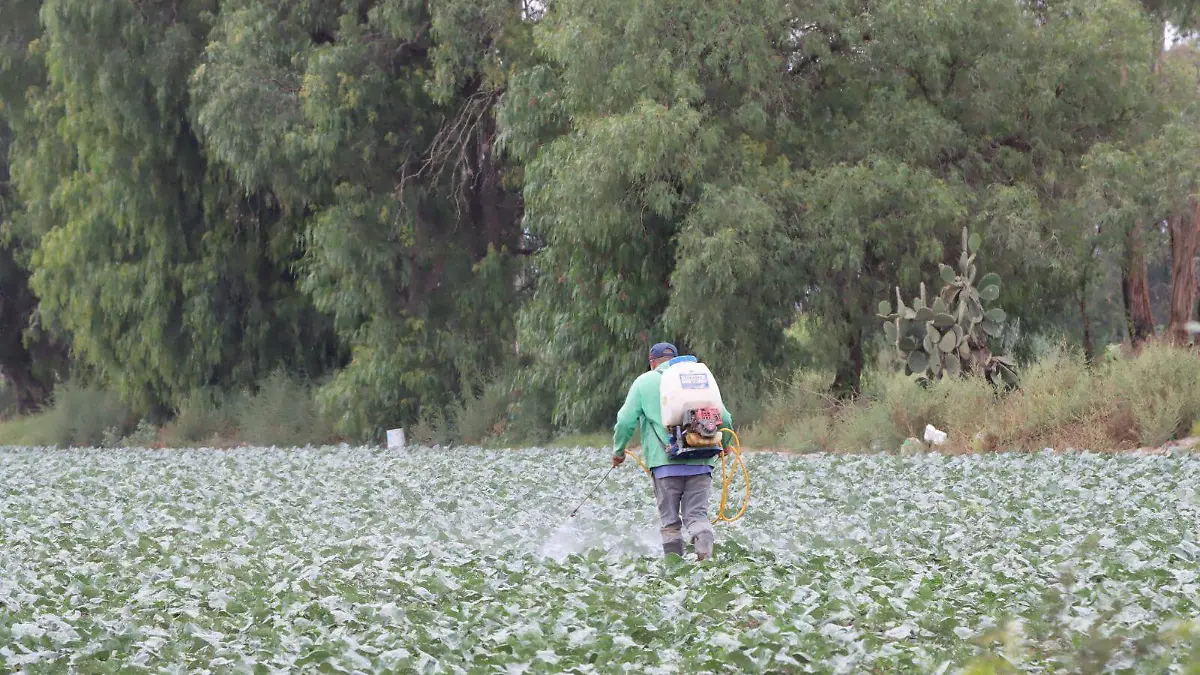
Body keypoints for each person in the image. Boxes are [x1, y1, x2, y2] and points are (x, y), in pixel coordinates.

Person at [611, 342, 732, 560]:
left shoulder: (645, 382)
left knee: (670, 523)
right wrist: (727, 444)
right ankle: (706, 562)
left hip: (665, 464)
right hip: (701, 460)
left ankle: (675, 572)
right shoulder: (696, 380)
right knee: (697, 517)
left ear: (652, 363)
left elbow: (625, 421)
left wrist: (618, 451)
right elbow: (726, 417)